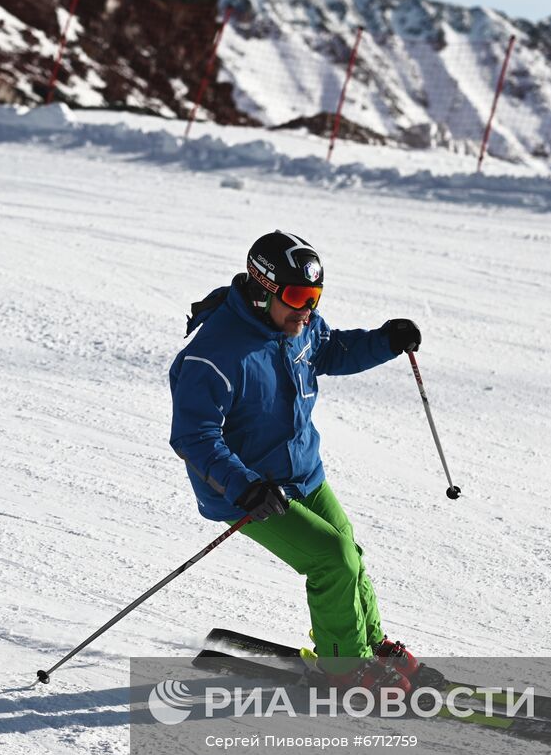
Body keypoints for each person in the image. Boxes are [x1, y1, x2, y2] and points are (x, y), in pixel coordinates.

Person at [168, 231, 421, 692]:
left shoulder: (297, 326)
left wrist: (386, 341)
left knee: (347, 548)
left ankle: (366, 640)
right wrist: (244, 485)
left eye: (316, 297)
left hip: (303, 473)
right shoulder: (215, 354)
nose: (308, 310)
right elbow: (193, 436)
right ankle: (345, 668)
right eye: (299, 297)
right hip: (248, 490)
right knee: (332, 560)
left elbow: (331, 349)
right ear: (263, 290)